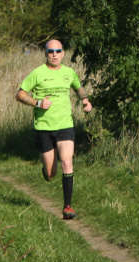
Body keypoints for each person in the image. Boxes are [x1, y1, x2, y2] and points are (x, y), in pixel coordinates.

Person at [16, 39, 92, 220]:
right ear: (46, 54)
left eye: (58, 51)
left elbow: (78, 87)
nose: (55, 54)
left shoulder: (69, 72)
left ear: (63, 53)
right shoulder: (38, 73)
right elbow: (20, 94)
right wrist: (37, 102)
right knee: (51, 174)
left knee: (67, 161)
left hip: (65, 125)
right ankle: (47, 171)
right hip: (43, 127)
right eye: (51, 51)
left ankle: (67, 206)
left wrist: (85, 100)